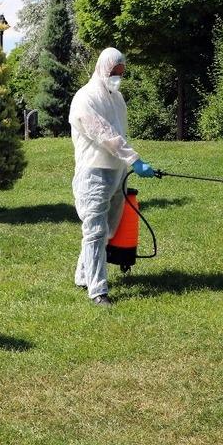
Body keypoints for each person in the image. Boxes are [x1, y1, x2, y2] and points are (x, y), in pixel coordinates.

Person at [68, 48, 155, 307]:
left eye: (121, 73)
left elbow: (120, 131)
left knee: (107, 230)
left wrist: (127, 163)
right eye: (114, 73)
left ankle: (83, 275)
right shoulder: (85, 98)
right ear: (103, 69)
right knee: (94, 231)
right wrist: (135, 159)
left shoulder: (116, 98)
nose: (118, 77)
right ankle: (98, 291)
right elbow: (104, 134)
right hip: (94, 172)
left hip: (116, 172)